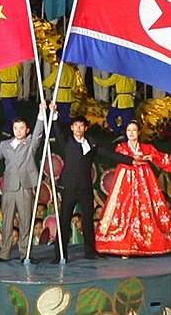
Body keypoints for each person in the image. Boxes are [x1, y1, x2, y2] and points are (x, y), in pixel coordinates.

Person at [50, 103, 138, 262]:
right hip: (69, 188)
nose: (78, 129)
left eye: (81, 126)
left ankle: (90, 252)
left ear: (85, 128)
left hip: (85, 188)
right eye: (75, 126)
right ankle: (60, 255)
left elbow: (109, 155)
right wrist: (54, 113)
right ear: (71, 128)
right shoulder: (66, 142)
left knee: (88, 221)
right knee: (64, 220)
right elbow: (57, 130)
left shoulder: (91, 143)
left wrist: (130, 161)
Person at [95, 121, 171, 256]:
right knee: (124, 211)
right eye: (129, 130)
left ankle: (146, 245)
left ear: (139, 132)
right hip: (126, 183)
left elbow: (161, 158)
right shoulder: (121, 147)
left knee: (146, 210)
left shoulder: (147, 148)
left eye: (134, 130)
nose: (131, 133)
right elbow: (118, 157)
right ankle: (123, 246)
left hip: (144, 182)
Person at [0, 102, 48, 262]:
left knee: (26, 221)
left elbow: (39, 133)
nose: (18, 131)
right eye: (16, 128)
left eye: (21, 128)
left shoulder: (30, 143)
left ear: (27, 130)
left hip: (25, 187)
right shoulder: (5, 145)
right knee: (7, 221)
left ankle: (25, 253)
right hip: (9, 188)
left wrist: (41, 113)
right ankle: (4, 253)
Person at [93, 72, 136, 137]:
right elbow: (134, 88)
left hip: (120, 102)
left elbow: (107, 82)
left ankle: (119, 132)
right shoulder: (132, 75)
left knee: (110, 118)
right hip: (129, 102)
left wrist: (95, 79)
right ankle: (123, 135)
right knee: (126, 123)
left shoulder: (118, 74)